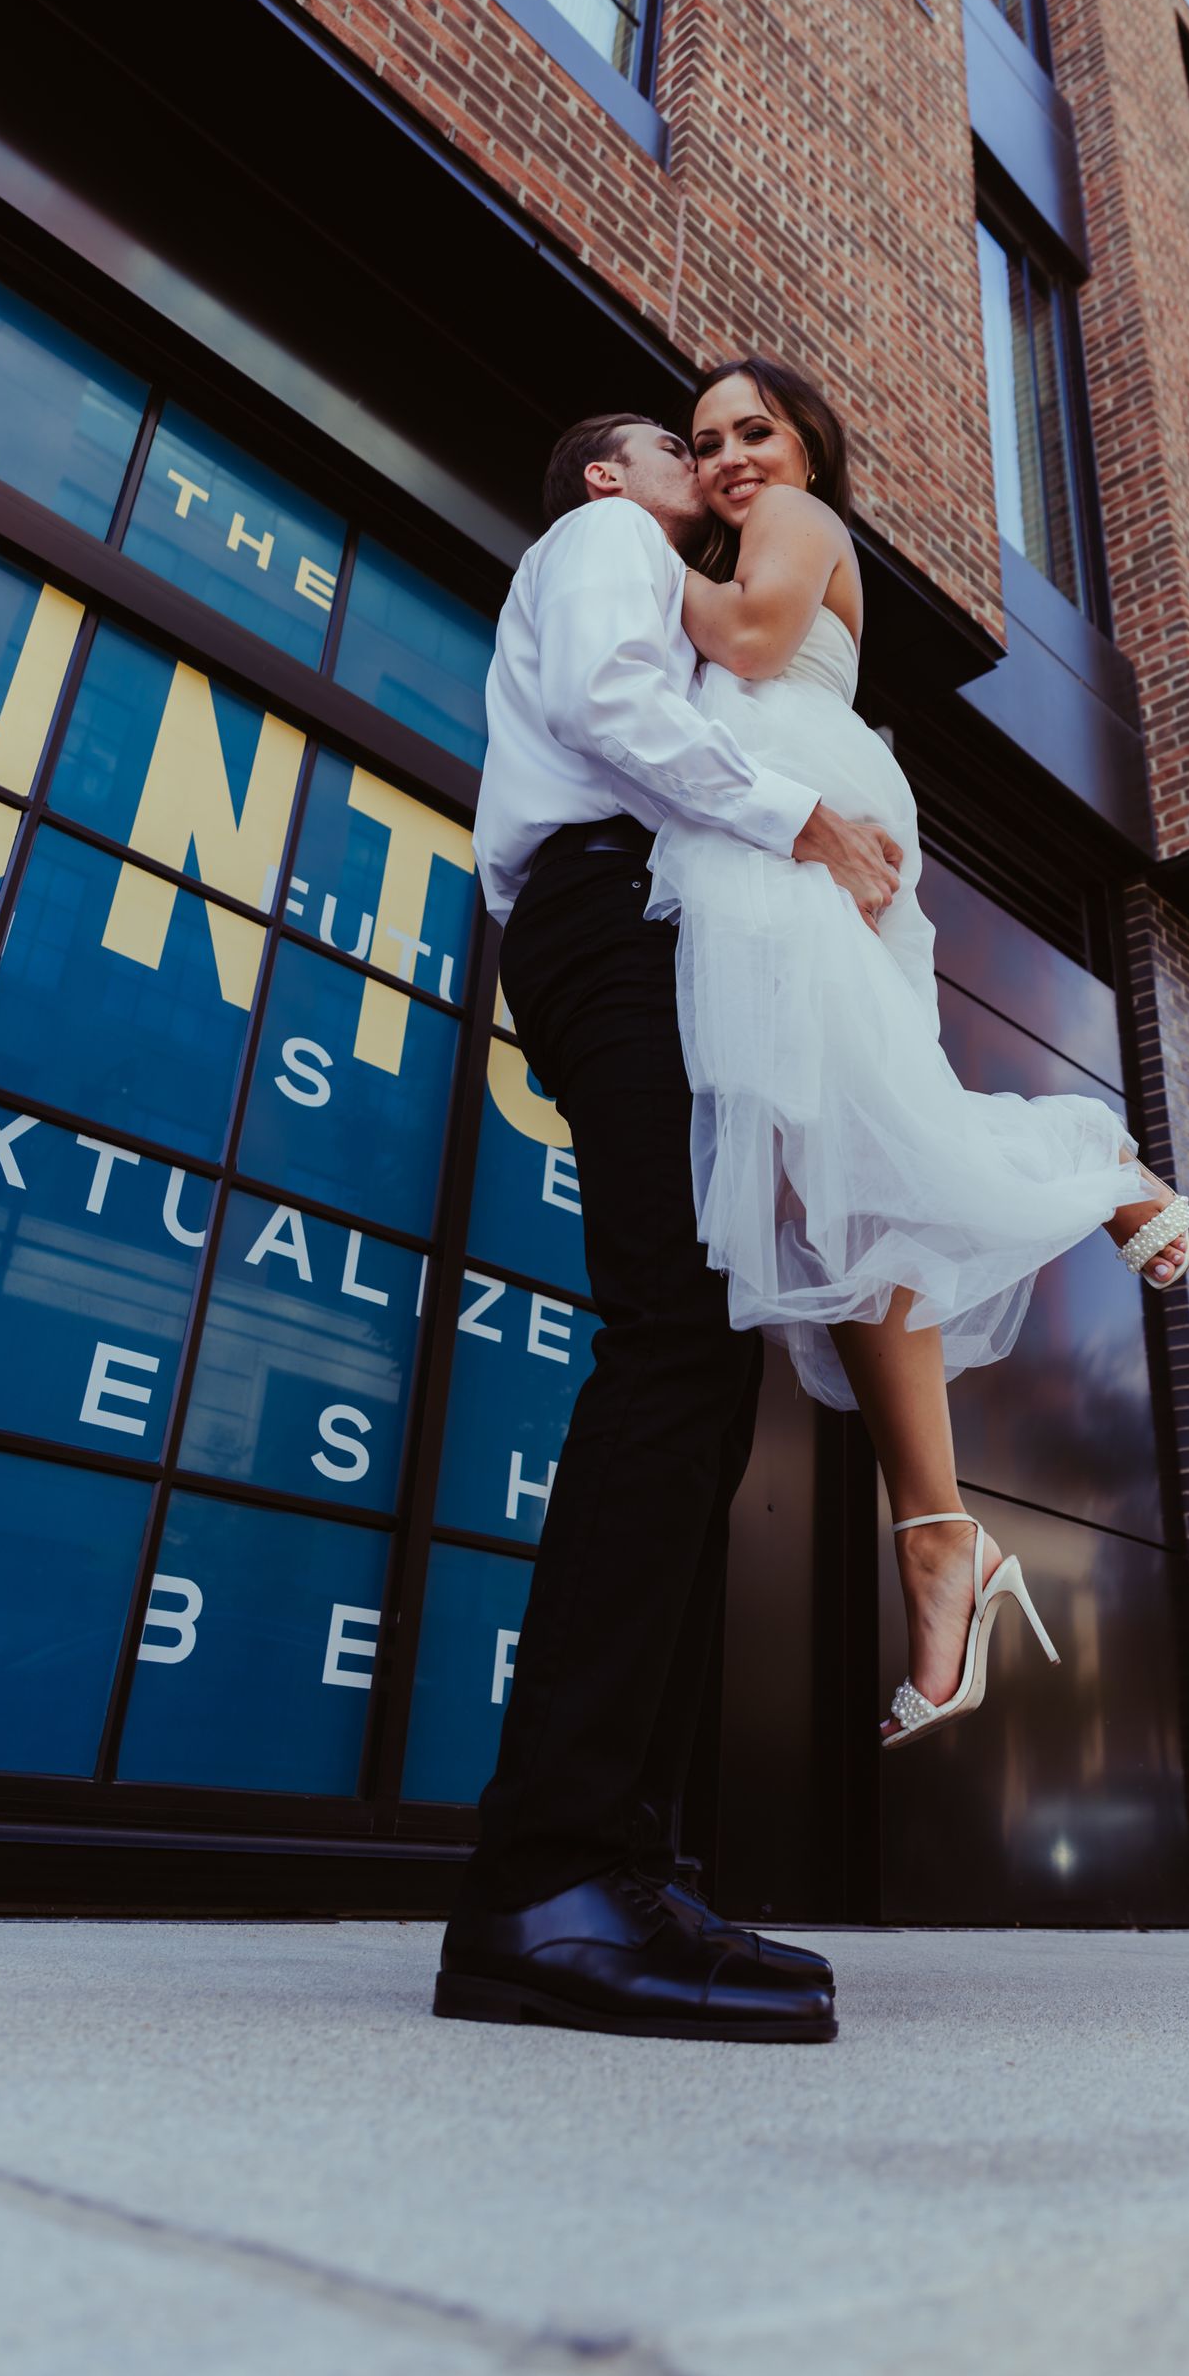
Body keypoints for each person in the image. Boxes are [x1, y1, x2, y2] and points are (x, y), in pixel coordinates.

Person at [436, 413, 899, 2044]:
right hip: (603, 909)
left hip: (627, 916)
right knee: (670, 1348)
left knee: (700, 1368)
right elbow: (610, 703)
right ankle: (545, 1883)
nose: (703, 471)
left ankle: (622, 1864)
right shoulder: (602, 545)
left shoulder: (655, 552)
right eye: (670, 446)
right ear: (600, 474)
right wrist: (800, 819)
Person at [651, 358, 1189, 1751]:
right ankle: (941, 1541)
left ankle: (1100, 1168)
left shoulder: (791, 525)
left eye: (751, 432)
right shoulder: (752, 525)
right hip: (772, 838)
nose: (726, 459)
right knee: (839, 1194)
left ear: (808, 447)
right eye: (704, 442)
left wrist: (631, 558)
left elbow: (757, 642)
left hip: (803, 839)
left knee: (853, 1157)